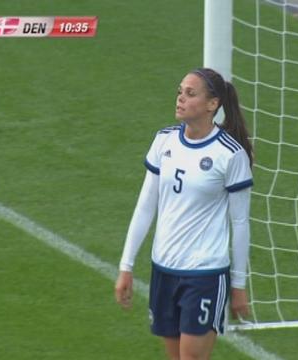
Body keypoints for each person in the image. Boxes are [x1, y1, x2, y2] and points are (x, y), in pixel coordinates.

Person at [115, 67, 253, 360]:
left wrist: (238, 285)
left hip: (205, 273)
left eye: (190, 94)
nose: (180, 99)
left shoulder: (230, 154)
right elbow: (145, 206)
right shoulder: (164, 141)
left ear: (212, 104)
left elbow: (240, 222)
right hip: (164, 269)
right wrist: (126, 266)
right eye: (180, 92)